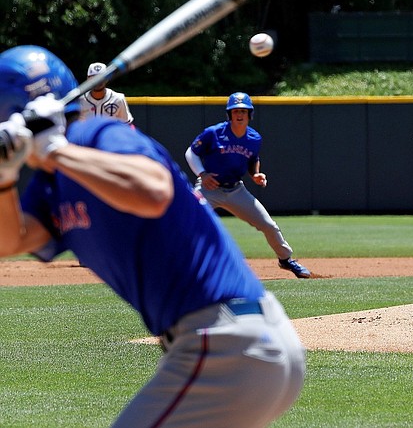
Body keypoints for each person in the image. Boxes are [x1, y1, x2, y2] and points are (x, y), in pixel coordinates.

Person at [0, 46, 305, 427]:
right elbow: (11, 241)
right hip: (232, 345)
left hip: (227, 342)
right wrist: (5, 177)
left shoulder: (97, 134)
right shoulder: (51, 183)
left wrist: (57, 151)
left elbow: (154, 191)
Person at [184, 92, 312, 278]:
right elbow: (191, 152)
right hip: (209, 188)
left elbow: (252, 160)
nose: (239, 114)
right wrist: (202, 174)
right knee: (191, 221)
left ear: (250, 113)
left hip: (236, 189)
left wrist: (255, 175)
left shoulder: (254, 138)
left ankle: (286, 260)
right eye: (235, 110)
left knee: (268, 225)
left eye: (244, 110)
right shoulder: (214, 132)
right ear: (229, 113)